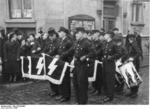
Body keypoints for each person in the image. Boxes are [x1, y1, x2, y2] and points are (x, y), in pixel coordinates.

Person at [73, 27, 94, 104]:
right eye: (76, 33)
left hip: (83, 66)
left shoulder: (86, 42)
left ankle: (83, 102)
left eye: (77, 33)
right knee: (75, 83)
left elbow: (93, 52)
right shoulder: (77, 42)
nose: (76, 35)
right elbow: (76, 52)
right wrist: (74, 57)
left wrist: (85, 57)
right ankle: (78, 100)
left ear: (81, 33)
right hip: (76, 65)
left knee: (82, 84)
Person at [101, 31, 122, 102]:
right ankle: (107, 94)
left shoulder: (113, 44)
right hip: (105, 64)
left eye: (105, 34)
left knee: (110, 81)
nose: (104, 35)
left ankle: (110, 96)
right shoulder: (105, 43)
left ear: (109, 35)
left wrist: (111, 57)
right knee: (105, 80)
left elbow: (119, 53)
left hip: (110, 64)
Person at [55, 27, 74, 102]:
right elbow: (58, 50)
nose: (59, 33)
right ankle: (62, 94)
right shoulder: (61, 40)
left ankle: (66, 96)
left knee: (65, 80)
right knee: (61, 79)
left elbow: (70, 52)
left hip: (66, 62)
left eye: (60, 32)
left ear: (64, 33)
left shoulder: (68, 41)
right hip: (61, 62)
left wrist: (60, 56)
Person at [90, 30, 103, 95]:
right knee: (93, 75)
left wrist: (92, 53)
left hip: (98, 62)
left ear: (97, 34)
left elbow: (99, 52)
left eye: (93, 34)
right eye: (92, 35)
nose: (92, 36)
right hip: (92, 61)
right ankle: (94, 88)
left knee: (98, 76)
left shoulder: (100, 43)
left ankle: (98, 90)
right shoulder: (92, 42)